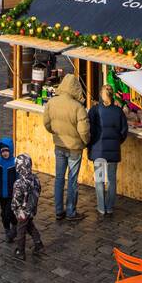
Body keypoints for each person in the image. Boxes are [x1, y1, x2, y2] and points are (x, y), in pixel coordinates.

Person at [42, 73, 91, 222]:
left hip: (59, 145)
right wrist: (85, 142)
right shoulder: (78, 107)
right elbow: (84, 131)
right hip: (75, 148)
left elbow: (47, 124)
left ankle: (58, 210)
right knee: (72, 180)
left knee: (59, 179)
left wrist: (56, 134)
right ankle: (71, 211)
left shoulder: (52, 102)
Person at [87, 84, 128, 217]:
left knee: (99, 180)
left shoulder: (94, 110)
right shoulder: (118, 112)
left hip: (98, 151)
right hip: (113, 151)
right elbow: (124, 131)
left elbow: (89, 130)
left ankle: (101, 207)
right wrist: (116, 142)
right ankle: (109, 207)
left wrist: (91, 144)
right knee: (111, 179)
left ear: (101, 95)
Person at [11, 153, 45, 261]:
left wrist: (15, 209)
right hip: (31, 208)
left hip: (22, 211)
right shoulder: (36, 179)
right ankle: (38, 244)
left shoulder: (19, 183)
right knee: (30, 225)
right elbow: (38, 191)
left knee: (21, 230)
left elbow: (16, 199)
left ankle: (20, 251)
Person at [0, 136, 17, 244]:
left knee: (9, 213)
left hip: (12, 193)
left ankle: (14, 227)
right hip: (2, 193)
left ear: (11, 150)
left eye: (7, 151)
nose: (5, 153)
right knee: (4, 214)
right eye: (3, 151)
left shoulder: (15, 162)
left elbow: (18, 177)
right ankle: (7, 230)